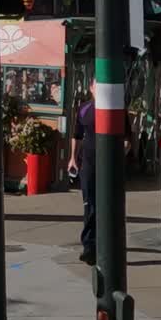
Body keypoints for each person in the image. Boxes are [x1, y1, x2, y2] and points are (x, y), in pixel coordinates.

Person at [70, 81, 97, 266]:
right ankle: (89, 246)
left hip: (108, 167)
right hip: (87, 165)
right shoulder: (84, 109)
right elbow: (76, 135)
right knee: (90, 205)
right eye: (97, 85)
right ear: (91, 88)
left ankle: (104, 244)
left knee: (106, 207)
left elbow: (127, 137)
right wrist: (72, 158)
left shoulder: (116, 108)